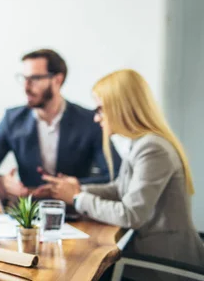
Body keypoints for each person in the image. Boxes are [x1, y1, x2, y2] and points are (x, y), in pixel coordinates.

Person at [44, 69, 204, 279]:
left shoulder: (152, 148)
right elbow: (120, 189)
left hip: (164, 264)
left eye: (100, 109)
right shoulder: (142, 144)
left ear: (120, 108)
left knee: (83, 269)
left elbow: (130, 215)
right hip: (152, 253)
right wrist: (78, 187)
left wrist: (76, 198)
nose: (96, 118)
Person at [0, 49, 121, 199]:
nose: (25, 87)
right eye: (23, 78)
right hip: (28, 212)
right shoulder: (13, 119)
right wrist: (0, 181)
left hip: (77, 211)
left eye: (34, 79)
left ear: (57, 80)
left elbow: (116, 175)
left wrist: (76, 185)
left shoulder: (90, 121)